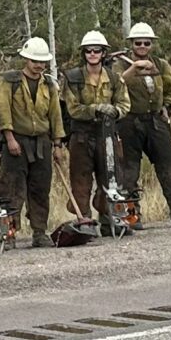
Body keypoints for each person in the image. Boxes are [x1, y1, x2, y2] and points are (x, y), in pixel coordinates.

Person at [115, 23, 171, 228]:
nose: (142, 46)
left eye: (147, 43)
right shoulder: (120, 65)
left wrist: (167, 105)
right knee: (128, 171)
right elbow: (114, 86)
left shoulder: (160, 65)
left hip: (156, 120)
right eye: (138, 43)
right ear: (131, 44)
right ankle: (131, 217)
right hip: (128, 121)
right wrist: (133, 69)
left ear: (152, 44)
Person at [0, 38, 68, 248]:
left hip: (41, 142)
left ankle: (39, 232)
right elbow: (2, 110)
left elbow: (55, 116)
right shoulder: (9, 82)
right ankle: (9, 233)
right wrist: (9, 138)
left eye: (42, 61)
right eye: (35, 61)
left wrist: (57, 145)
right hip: (17, 140)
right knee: (12, 189)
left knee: (40, 188)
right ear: (26, 59)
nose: (39, 65)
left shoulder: (49, 84)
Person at [60, 31, 131, 235]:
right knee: (80, 181)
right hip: (81, 135)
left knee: (111, 178)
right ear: (83, 53)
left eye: (96, 50)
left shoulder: (115, 78)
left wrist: (115, 111)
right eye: (88, 50)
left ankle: (111, 219)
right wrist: (96, 109)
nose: (92, 54)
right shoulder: (73, 78)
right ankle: (85, 222)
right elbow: (73, 109)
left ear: (103, 53)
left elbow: (124, 104)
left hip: (107, 134)